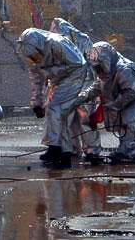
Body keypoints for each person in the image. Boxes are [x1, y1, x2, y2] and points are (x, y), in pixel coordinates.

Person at [16, 27, 91, 167]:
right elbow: (36, 75)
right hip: (59, 79)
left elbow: (77, 64)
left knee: (55, 109)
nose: (35, 58)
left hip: (75, 76)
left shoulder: (57, 43)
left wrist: (51, 71)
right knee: (56, 112)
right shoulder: (32, 51)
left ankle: (57, 148)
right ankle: (62, 150)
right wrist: (36, 102)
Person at [81, 41, 135, 164]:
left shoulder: (123, 68)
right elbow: (96, 87)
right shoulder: (105, 73)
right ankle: (127, 150)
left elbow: (132, 90)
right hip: (131, 95)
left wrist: (115, 105)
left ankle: (131, 152)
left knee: (131, 122)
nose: (98, 69)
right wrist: (80, 98)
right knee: (123, 124)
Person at [49, 18, 104, 164]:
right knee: (66, 118)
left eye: (53, 28)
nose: (51, 31)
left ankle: (92, 150)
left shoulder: (81, 40)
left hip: (84, 83)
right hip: (67, 85)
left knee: (84, 117)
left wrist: (96, 86)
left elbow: (93, 61)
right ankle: (72, 148)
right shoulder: (56, 43)